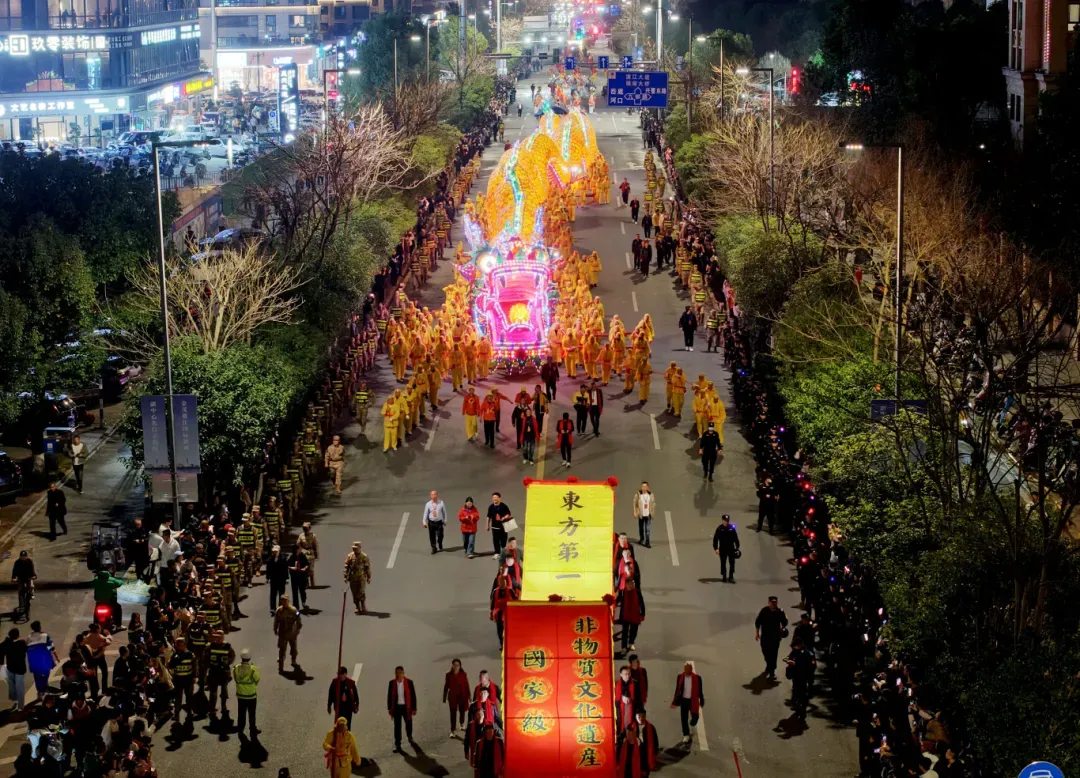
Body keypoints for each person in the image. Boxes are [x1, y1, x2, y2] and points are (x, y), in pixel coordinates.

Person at [754, 595, 788, 681]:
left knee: (773, 654)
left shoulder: (780, 612)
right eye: (772, 602)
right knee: (765, 652)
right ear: (769, 603)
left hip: (775, 637)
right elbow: (758, 622)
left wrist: (782, 628)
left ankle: (772, 672)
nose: (773, 604)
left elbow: (784, 622)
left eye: (775, 602)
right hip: (765, 636)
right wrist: (757, 633)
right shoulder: (764, 611)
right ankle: (769, 665)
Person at [670, 662, 704, 744]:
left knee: (694, 719)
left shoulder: (697, 678)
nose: (687, 671)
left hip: (693, 701)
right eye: (685, 669)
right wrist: (675, 701)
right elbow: (677, 689)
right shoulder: (680, 677)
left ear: (691, 669)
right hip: (683, 700)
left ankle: (693, 723)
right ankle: (686, 735)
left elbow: (700, 690)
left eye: (688, 669)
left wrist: (702, 699)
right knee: (683, 718)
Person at [387, 666, 417, 753]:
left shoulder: (409, 682)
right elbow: (389, 696)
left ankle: (409, 736)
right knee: (397, 727)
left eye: (400, 673)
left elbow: (413, 696)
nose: (398, 675)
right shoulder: (392, 683)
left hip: (406, 707)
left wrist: (414, 708)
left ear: (403, 673)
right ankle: (398, 744)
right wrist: (389, 708)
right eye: (397, 673)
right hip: (397, 707)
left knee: (408, 723)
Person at [785, 636, 816, 719]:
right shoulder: (795, 651)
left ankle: (802, 708)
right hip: (796, 675)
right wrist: (788, 660)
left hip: (804, 676)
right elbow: (788, 657)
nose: (795, 647)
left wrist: (795, 664)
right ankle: (797, 706)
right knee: (795, 690)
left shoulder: (808, 653)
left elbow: (810, 665)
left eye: (796, 645)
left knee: (803, 692)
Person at [25, 621, 58, 699]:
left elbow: (27, 649)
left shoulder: (28, 638)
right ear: (39, 627)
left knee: (37, 676)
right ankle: (44, 687)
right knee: (46, 674)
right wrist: (56, 657)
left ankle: (40, 691)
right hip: (44, 660)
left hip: (34, 661)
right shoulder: (45, 636)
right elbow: (51, 648)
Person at [233, 648, 260, 737]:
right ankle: (252, 729)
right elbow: (257, 679)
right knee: (252, 713)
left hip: (241, 695)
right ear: (249, 658)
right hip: (251, 695)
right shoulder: (253, 669)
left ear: (241, 657)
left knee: (241, 713)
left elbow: (236, 679)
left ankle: (240, 729)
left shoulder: (236, 668)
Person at [273, 594, 302, 672]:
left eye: (285, 601)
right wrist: (275, 629)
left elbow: (298, 619)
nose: (284, 602)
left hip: (292, 632)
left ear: (288, 601)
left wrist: (298, 628)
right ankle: (281, 665)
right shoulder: (279, 610)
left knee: (293, 648)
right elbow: (276, 621)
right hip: (282, 632)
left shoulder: (294, 610)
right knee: (282, 649)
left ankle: (293, 661)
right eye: (282, 601)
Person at [1, 627, 28, 710]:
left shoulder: (6, 644)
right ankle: (21, 706)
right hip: (20, 669)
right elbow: (26, 649)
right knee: (19, 687)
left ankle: (15, 700)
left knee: (12, 686)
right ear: (18, 635)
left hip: (10, 668)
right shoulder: (22, 643)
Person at [443, 658, 470, 738]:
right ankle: (453, 730)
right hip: (452, 697)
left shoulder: (463, 674)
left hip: (462, 696)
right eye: (454, 665)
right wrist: (444, 697)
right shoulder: (448, 675)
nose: (456, 667)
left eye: (457, 665)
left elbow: (466, 685)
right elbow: (446, 686)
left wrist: (469, 696)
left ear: (460, 666)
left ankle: (461, 723)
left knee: (462, 711)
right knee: (453, 714)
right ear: (452, 666)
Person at [343, 542, 372, 614]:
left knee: (361, 592)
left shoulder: (364, 556)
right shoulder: (350, 556)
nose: (354, 549)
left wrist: (368, 577)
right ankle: (357, 607)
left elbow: (367, 567)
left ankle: (363, 606)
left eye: (356, 548)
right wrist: (345, 576)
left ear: (359, 548)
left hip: (361, 577)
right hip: (353, 578)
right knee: (354, 593)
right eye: (353, 548)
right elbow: (346, 567)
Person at [618, 577, 645, 653]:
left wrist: (642, 613)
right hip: (626, 614)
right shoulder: (623, 592)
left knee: (634, 630)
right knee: (625, 632)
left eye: (633, 583)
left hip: (635, 615)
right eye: (631, 583)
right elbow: (620, 602)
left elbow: (641, 603)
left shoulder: (637, 592)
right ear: (627, 584)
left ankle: (631, 643)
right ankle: (624, 647)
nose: (633, 585)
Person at [711, 514, 740, 582]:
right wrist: (716, 548)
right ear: (722, 520)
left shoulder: (731, 528)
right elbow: (715, 539)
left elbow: (735, 538)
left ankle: (731, 577)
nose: (726, 522)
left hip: (731, 548)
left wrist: (737, 547)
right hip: (723, 548)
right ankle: (724, 576)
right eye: (725, 520)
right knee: (723, 563)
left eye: (727, 520)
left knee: (732, 563)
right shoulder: (719, 529)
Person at [266, 545, 289, 617]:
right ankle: (272, 608)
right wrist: (268, 578)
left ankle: (280, 608)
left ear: (279, 551)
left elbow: (285, 569)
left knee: (281, 595)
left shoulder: (283, 559)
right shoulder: (270, 559)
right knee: (273, 594)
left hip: (281, 579)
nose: (274, 553)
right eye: (273, 551)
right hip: (273, 579)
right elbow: (268, 569)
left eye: (276, 551)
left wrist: (286, 578)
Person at [486, 493, 512, 557]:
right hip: (494, 526)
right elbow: (488, 517)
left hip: (503, 526)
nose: (495, 499)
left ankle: (503, 551)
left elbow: (508, 514)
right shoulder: (491, 507)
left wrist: (504, 517)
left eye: (496, 497)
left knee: (503, 539)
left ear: (499, 498)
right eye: (494, 497)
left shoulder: (504, 506)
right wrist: (487, 525)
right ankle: (497, 552)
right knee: (495, 540)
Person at [423, 489, 447, 554]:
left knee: (440, 535)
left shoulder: (441, 503)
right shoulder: (428, 504)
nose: (434, 496)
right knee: (432, 536)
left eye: (435, 494)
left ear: (437, 495)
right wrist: (424, 522)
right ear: (430, 496)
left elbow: (444, 512)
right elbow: (426, 513)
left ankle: (440, 542)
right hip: (431, 522)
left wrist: (445, 520)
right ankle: (434, 548)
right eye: (432, 495)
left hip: (439, 522)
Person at [632, 483, 655, 548]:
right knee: (641, 528)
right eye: (643, 486)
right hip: (641, 515)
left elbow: (653, 503)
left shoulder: (651, 495)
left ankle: (647, 542)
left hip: (648, 515)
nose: (644, 488)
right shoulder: (638, 495)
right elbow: (635, 504)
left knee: (647, 530)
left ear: (647, 487)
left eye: (645, 486)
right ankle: (642, 539)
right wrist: (635, 512)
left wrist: (652, 512)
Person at [289, 544, 310, 610]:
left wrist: (304, 568)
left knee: (302, 590)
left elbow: (307, 564)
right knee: (295, 591)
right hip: (294, 576)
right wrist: (292, 568)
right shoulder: (291, 556)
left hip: (301, 575)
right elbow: (288, 565)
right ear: (296, 550)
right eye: (299, 549)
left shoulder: (302, 555)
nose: (301, 549)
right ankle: (296, 606)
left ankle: (303, 602)